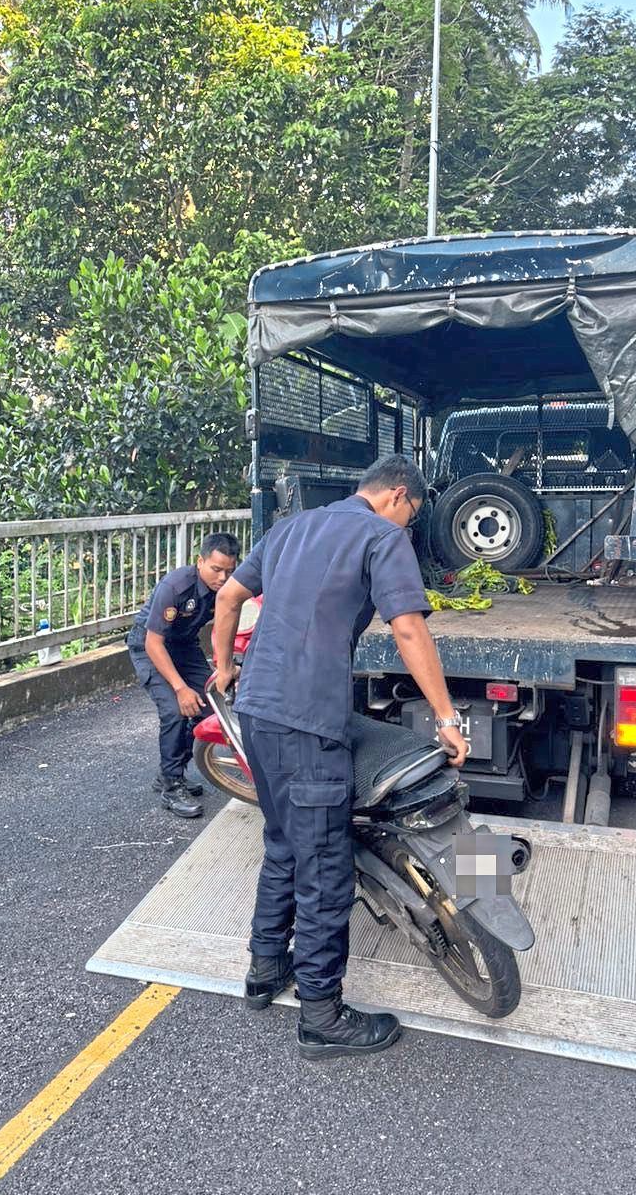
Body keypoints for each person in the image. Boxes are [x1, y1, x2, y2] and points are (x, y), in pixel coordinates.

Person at [213, 454, 468, 1060]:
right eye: (413, 513)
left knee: (283, 843)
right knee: (326, 868)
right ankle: (322, 1017)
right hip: (308, 722)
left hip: (257, 711)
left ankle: (265, 969)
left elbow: (228, 598)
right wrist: (446, 717)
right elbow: (409, 629)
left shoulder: (291, 527)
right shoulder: (383, 536)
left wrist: (224, 668)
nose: (409, 525)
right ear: (398, 496)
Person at [127, 533, 240, 819]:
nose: (223, 578)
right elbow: (154, 643)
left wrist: (225, 667)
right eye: (216, 569)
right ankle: (171, 785)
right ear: (200, 562)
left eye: (229, 571)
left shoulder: (228, 588)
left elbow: (223, 627)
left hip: (185, 647)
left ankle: (170, 770)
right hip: (150, 646)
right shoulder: (176, 587)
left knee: (211, 709)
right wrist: (180, 688)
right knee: (176, 711)